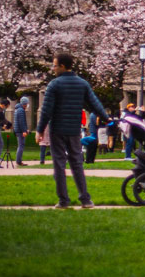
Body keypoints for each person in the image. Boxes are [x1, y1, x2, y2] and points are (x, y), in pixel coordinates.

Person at [36, 52, 108, 209]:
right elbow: (95, 103)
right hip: (74, 130)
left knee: (59, 165)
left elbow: (46, 110)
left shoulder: (54, 85)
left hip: (57, 130)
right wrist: (107, 118)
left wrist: (40, 130)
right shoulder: (82, 84)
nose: (53, 69)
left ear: (62, 66)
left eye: (54, 65)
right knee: (77, 164)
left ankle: (63, 201)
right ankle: (85, 199)